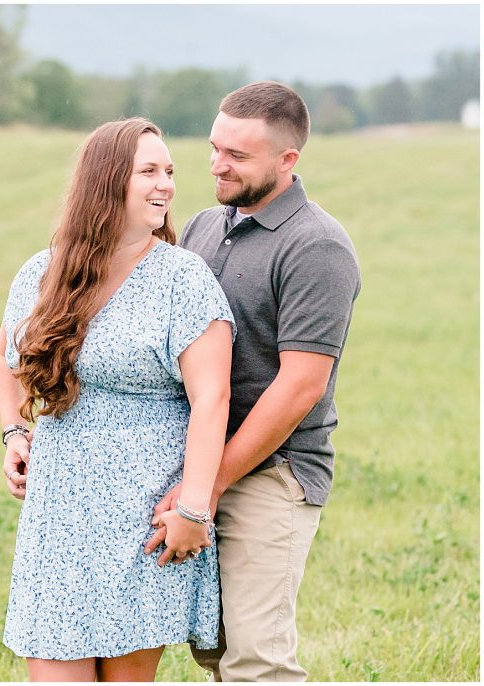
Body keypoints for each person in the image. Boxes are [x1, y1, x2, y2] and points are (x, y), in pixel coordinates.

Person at [0, 118, 236, 682]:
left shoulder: (183, 279)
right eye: (148, 171)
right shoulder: (45, 271)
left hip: (140, 515)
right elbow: (4, 358)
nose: (167, 184)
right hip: (57, 516)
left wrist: (194, 510)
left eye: (170, 172)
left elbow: (212, 398)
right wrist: (13, 433)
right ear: (105, 184)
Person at [144, 81, 361, 681]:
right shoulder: (205, 228)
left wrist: (207, 486)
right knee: (213, 651)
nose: (217, 165)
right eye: (214, 148)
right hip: (201, 464)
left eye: (236, 156)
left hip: (273, 473)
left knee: (256, 659)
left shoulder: (317, 247)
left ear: (287, 160)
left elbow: (300, 387)